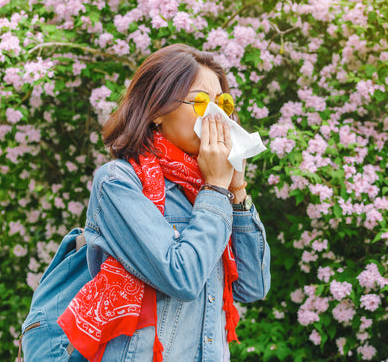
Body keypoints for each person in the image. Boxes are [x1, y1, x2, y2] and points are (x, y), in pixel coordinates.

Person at [57, 44, 271, 362]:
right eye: (200, 102)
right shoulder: (119, 182)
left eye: (222, 103)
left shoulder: (208, 190)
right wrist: (215, 188)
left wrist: (235, 191)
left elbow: (253, 286)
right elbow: (180, 277)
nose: (216, 116)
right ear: (157, 110)